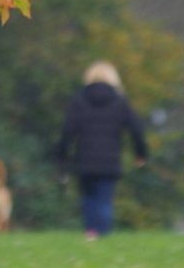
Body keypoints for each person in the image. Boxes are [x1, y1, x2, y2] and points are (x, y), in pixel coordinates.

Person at [56, 60, 148, 240]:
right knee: (104, 200)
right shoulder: (120, 102)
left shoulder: (79, 101)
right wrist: (140, 154)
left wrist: (62, 158)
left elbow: (67, 132)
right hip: (110, 161)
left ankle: (91, 233)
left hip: (84, 160)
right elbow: (136, 129)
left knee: (88, 199)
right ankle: (103, 235)